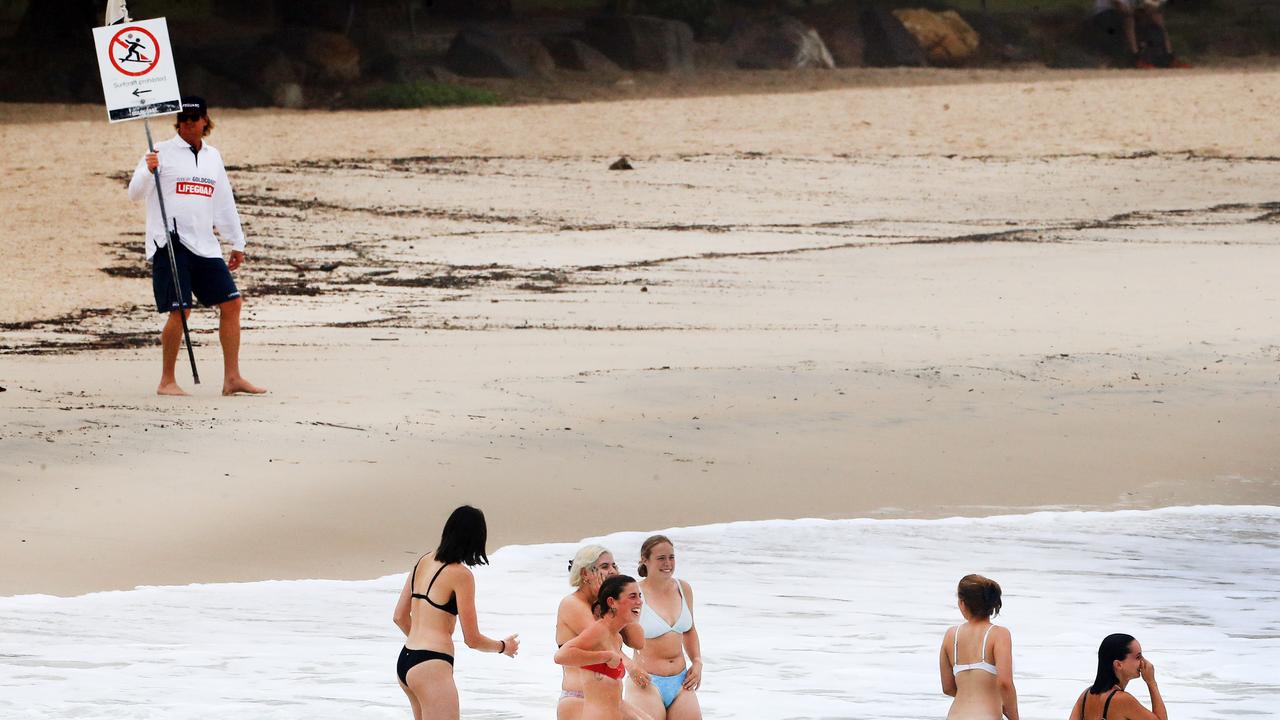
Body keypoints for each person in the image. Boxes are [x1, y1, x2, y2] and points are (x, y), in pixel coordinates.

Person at [127, 96, 266, 397]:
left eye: (195, 118)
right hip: (170, 243)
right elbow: (134, 193)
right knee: (181, 312)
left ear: (205, 121)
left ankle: (232, 378)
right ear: (178, 122)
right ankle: (167, 381)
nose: (190, 123)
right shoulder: (159, 151)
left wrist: (237, 241)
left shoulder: (213, 157)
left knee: (232, 304)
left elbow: (223, 201)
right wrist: (148, 171)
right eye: (185, 119)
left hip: (205, 245)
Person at [392, 505, 520, 720]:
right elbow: (472, 639)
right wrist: (503, 647)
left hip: (406, 659)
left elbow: (399, 617)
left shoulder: (423, 561)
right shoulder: (461, 575)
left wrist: (421, 645)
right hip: (431, 665)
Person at [557, 545, 646, 720]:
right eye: (605, 567)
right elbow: (603, 641)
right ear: (585, 574)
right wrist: (629, 665)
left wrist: (618, 600)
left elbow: (638, 641)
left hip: (608, 701)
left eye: (614, 566)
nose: (612, 571)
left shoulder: (608, 608)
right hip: (578, 700)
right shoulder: (571, 604)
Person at [627, 535, 702, 720]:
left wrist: (697, 661)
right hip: (647, 682)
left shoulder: (683, 588)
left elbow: (690, 630)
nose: (668, 563)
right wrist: (630, 667)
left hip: (682, 682)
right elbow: (609, 638)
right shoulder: (633, 594)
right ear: (645, 560)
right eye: (661, 558)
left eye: (671, 557)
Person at [938, 574, 1019, 720]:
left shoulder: (951, 636)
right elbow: (1005, 683)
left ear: (962, 603)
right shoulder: (999, 634)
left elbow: (948, 687)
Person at [1068, 634, 1168, 720]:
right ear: (1118, 665)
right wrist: (1151, 683)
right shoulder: (1122, 699)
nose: (1143, 662)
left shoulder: (1085, 695)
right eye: (1138, 657)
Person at [1091, 0, 1190, 69]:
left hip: (1122, 13)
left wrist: (1150, 9)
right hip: (1105, 15)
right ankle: (1135, 58)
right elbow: (1118, 5)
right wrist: (1134, 13)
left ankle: (1168, 57)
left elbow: (1150, 4)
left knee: (1156, 17)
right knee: (1129, 19)